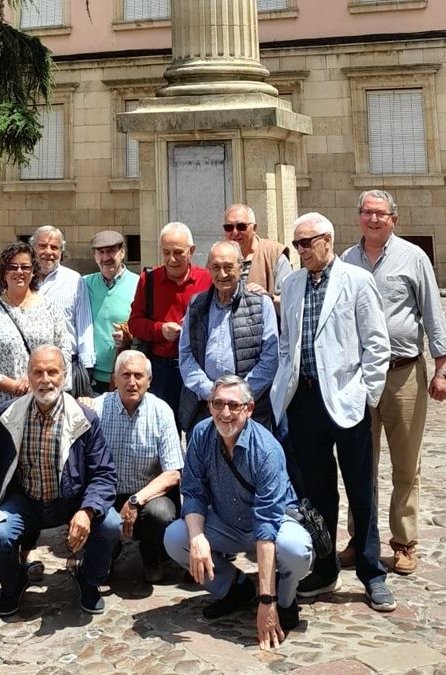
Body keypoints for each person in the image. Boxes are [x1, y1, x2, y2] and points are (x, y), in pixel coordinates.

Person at [270, 212, 395, 612]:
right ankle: (324, 568)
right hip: (304, 401)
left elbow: (377, 345)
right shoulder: (291, 285)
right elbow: (287, 341)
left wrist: (366, 396)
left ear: (327, 239)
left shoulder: (357, 281)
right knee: (316, 492)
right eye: (296, 244)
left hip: (346, 400)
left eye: (306, 243)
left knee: (361, 489)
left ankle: (372, 571)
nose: (301, 251)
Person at [0, 345, 121, 617]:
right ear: (28, 375)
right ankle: (13, 584)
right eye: (38, 372)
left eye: (52, 372)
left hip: (69, 501)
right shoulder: (12, 412)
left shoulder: (84, 420)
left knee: (110, 523)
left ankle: (89, 579)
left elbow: (103, 474)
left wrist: (87, 510)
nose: (45, 379)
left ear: (64, 376)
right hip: (25, 501)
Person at [339, 189, 446, 575]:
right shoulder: (347, 261)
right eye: (367, 213)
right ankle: (360, 538)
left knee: (406, 464)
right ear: (359, 217)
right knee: (359, 462)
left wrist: (443, 369)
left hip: (404, 373)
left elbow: (432, 312)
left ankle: (404, 542)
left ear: (394, 219)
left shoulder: (413, 258)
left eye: (381, 214)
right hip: (360, 376)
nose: (373, 220)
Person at [163, 375, 312, 649]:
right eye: (218, 404)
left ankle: (285, 599)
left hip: (272, 525)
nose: (225, 413)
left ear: (249, 408)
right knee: (175, 538)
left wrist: (267, 602)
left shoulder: (267, 450)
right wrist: (197, 538)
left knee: (296, 550)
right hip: (226, 522)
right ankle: (234, 587)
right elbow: (194, 492)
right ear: (209, 406)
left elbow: (267, 526)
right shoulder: (201, 435)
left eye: (234, 405)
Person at [89, 350, 182, 583]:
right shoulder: (96, 410)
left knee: (161, 514)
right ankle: (107, 552)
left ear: (149, 381)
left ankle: (152, 554)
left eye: (139, 376)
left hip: (147, 495)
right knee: (101, 518)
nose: (132, 382)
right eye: (126, 375)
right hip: (107, 493)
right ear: (114, 379)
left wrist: (136, 500)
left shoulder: (162, 411)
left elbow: (173, 473)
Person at [178, 241, 278, 433]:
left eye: (228, 267)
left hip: (248, 410)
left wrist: (237, 397)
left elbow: (270, 359)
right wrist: (211, 393)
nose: (222, 274)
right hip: (205, 408)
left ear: (241, 268)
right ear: (208, 269)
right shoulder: (196, 305)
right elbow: (186, 354)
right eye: (216, 267)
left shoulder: (261, 304)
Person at [0, 242, 71, 411]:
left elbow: (64, 353)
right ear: (4, 273)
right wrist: (15, 386)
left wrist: (36, 383)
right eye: (12, 267)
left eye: (25, 267)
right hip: (2, 405)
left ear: (33, 272)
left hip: (43, 402)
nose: (19, 272)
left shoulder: (50, 309)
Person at [127, 222, 211, 414]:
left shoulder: (207, 280)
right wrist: (160, 330)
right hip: (162, 369)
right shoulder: (149, 280)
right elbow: (134, 323)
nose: (171, 259)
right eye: (166, 252)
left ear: (192, 251)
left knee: (198, 427)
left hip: (198, 367)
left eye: (178, 252)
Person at [31, 226, 95, 393]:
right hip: (32, 369)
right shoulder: (22, 278)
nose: (48, 252)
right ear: (33, 249)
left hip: (66, 367)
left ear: (61, 251)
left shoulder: (74, 280)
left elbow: (84, 325)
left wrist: (86, 369)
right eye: (42, 246)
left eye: (54, 247)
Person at [83, 230, 139, 394]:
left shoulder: (138, 284)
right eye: (101, 252)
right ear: (95, 256)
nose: (106, 257)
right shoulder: (84, 284)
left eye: (111, 251)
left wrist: (129, 336)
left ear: (122, 253)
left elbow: (145, 325)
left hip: (126, 375)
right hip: (91, 375)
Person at [221, 204, 292, 306]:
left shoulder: (274, 254)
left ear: (254, 228)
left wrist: (267, 298)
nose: (235, 232)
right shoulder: (219, 256)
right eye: (229, 227)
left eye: (241, 227)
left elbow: (290, 302)